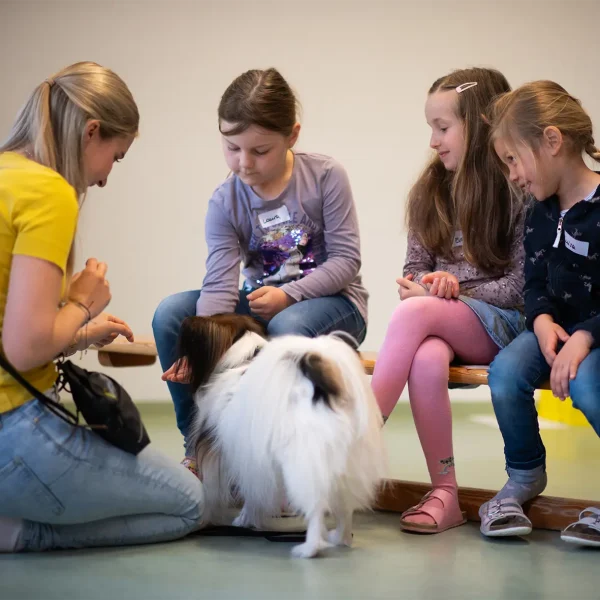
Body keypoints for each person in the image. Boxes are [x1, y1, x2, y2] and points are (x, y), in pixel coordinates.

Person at [0, 62, 204, 553]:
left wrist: (79, 332)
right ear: (91, 132)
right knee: (192, 503)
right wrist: (83, 301)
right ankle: (19, 533)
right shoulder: (49, 192)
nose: (107, 177)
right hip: (14, 429)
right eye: (115, 156)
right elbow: (25, 349)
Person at [152, 68, 368, 474]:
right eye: (231, 147)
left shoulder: (324, 176)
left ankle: (282, 459)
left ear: (293, 135)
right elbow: (218, 285)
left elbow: (346, 261)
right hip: (260, 304)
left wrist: (290, 294)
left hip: (333, 303)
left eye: (259, 150)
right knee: (171, 315)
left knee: (287, 326)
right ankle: (203, 447)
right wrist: (199, 347)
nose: (243, 163)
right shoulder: (224, 201)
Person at [371, 68, 526, 534]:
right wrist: (424, 284)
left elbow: (520, 287)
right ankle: (446, 493)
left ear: (480, 124)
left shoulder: (517, 187)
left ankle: (351, 441)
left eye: (443, 127)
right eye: (431, 129)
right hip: (442, 322)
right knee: (426, 358)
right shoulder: (431, 189)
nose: (434, 141)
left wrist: (450, 290)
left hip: (504, 326)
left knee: (416, 312)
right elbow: (412, 269)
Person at [480, 81, 600, 546]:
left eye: (513, 159)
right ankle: (525, 476)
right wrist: (542, 320)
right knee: (506, 372)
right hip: (556, 330)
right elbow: (533, 282)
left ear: (552, 141)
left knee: (589, 385)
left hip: (595, 337)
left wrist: (585, 337)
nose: (511, 174)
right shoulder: (540, 211)